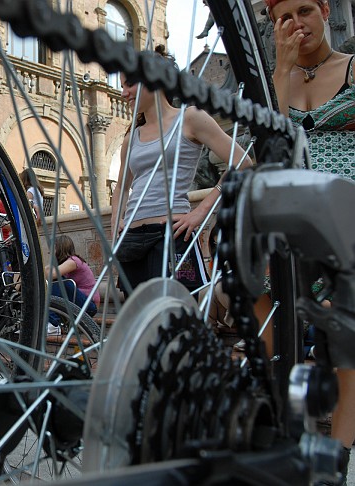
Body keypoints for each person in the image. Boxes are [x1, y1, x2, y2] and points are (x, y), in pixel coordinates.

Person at [266, 1, 354, 483]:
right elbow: (268, 146)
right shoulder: (267, 83)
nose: (297, 23)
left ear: (325, 10)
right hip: (291, 214)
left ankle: (335, 457)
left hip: (347, 210)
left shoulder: (352, 69)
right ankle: (284, 424)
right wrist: (280, 72)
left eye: (306, 9)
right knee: (253, 274)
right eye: (284, 18)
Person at [110, 45, 252, 299]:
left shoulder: (191, 118)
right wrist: (114, 229)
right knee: (140, 322)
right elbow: (121, 185)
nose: (123, 93)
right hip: (132, 238)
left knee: (176, 318)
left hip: (171, 233)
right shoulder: (131, 136)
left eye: (129, 84)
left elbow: (242, 163)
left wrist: (200, 212)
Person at [45, 235, 100, 336]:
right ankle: (49, 321)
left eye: (52, 248)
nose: (49, 252)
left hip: (89, 306)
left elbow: (51, 274)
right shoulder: (65, 263)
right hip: (80, 303)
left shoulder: (73, 261)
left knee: (59, 281)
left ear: (60, 248)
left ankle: (53, 324)